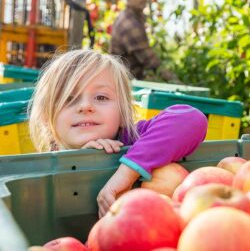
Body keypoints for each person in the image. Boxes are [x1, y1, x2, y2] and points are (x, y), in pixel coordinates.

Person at [28, 49, 208, 218]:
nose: (85, 106)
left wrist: (126, 173)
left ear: (123, 114)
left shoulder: (132, 139)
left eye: (101, 97)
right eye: (69, 98)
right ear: (46, 116)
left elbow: (191, 118)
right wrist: (82, 159)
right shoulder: (44, 168)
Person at [109, 0, 161, 80]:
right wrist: (183, 86)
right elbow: (151, 62)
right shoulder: (129, 23)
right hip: (126, 85)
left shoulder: (134, 17)